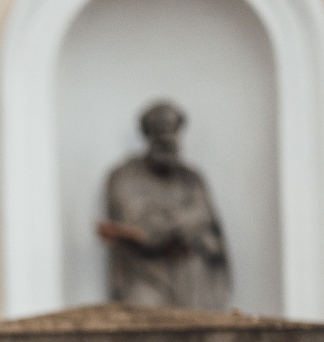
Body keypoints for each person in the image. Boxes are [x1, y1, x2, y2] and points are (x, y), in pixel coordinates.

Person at [97, 101, 230, 310]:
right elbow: (146, 229)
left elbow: (207, 223)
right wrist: (185, 221)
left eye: (171, 135)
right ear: (147, 137)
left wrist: (171, 222)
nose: (166, 140)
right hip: (145, 280)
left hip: (192, 284)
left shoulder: (191, 179)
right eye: (158, 135)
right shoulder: (124, 177)